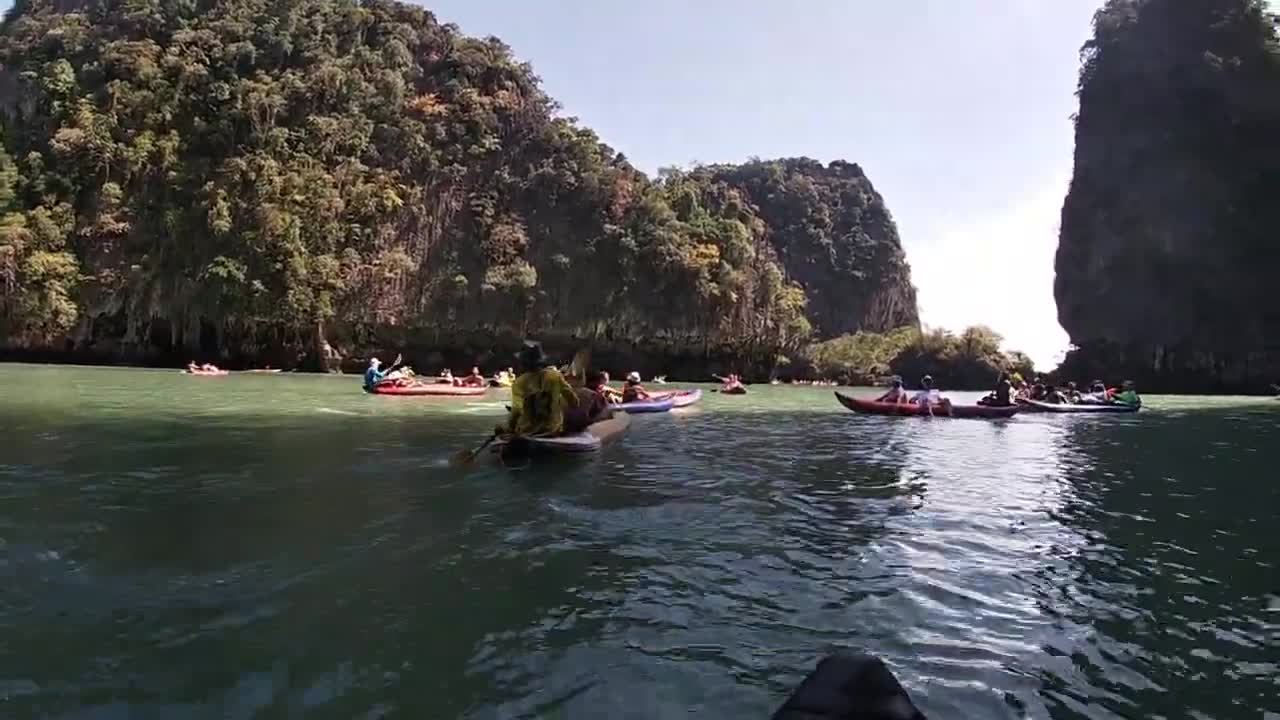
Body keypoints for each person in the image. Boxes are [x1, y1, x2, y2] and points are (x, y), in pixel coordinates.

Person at [499, 341, 579, 437]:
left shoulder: (519, 382)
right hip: (553, 429)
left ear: (523, 362)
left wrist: (510, 428)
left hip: (528, 431)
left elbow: (517, 410)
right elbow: (573, 401)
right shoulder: (555, 376)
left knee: (499, 427)